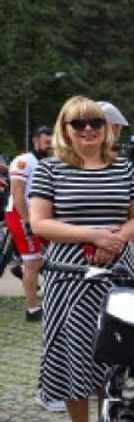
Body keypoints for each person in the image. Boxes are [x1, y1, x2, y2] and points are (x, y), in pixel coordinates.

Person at [27, 97, 134, 422]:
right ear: (65, 129)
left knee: (117, 353)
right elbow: (40, 223)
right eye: (79, 123)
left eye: (96, 122)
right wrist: (93, 236)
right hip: (69, 274)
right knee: (74, 352)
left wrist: (116, 240)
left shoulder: (124, 168)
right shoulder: (50, 169)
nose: (89, 129)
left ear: (106, 126)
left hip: (117, 271)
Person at [6, 125, 52, 321]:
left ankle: (23, 270)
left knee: (54, 255)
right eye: (46, 137)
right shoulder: (24, 160)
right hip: (20, 213)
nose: (50, 140)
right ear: (35, 140)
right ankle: (32, 310)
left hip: (40, 215)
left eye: (52, 137)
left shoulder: (48, 162)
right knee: (33, 262)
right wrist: (27, 220)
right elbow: (17, 194)